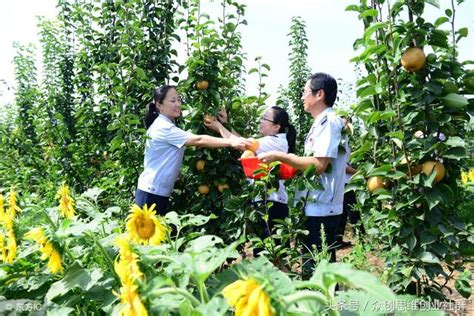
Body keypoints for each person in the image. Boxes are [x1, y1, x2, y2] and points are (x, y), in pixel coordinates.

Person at [258, 73, 347, 265]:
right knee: (312, 268)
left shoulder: (329, 122)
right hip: (315, 206)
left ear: (319, 94)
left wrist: (283, 157)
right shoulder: (320, 123)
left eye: (305, 92)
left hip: (323, 208)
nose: (301, 97)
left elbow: (319, 165)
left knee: (320, 271)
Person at [135, 85, 250, 214]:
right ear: (159, 105)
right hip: (151, 193)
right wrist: (231, 142)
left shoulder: (166, 125)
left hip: (156, 192)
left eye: (179, 100)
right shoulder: (163, 127)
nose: (178, 104)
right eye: (173, 101)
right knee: (146, 233)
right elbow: (198, 140)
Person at [204, 106, 296, 252]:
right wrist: (226, 124)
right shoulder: (270, 141)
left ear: (276, 127)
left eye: (265, 118)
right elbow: (243, 142)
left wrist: (219, 127)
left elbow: (240, 144)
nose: (261, 121)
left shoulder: (273, 141)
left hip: (270, 204)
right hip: (269, 202)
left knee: (270, 254)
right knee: (269, 252)